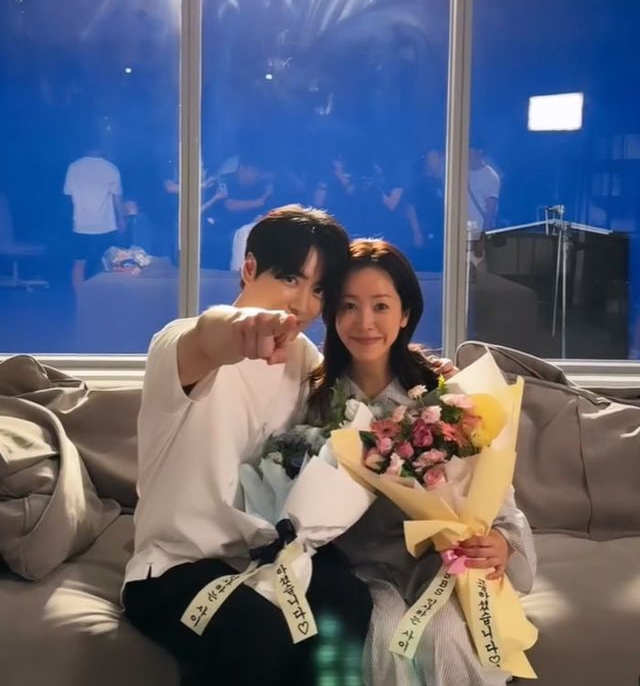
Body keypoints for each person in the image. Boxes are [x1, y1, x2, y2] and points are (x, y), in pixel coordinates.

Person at [122, 205, 373, 686]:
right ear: (250, 268)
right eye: (290, 279)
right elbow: (210, 334)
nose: (303, 303)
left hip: (271, 560)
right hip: (176, 568)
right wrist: (245, 327)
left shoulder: (305, 359)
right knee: (259, 635)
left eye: (319, 290)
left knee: (347, 602)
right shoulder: (179, 343)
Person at [305, 238, 536, 686]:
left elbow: (495, 495)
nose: (365, 322)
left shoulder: (445, 393)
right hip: (356, 571)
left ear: (405, 313)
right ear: (331, 313)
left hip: (440, 565)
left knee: (445, 635)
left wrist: (503, 541)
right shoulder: (313, 401)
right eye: (349, 306)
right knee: (387, 634)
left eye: (381, 306)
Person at [63, 146, 124, 287]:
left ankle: (80, 296)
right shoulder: (110, 168)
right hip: (105, 225)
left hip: (80, 224)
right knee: (106, 262)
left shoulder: (73, 167)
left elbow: (68, 194)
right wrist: (121, 219)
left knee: (79, 262)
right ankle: (102, 295)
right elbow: (117, 198)